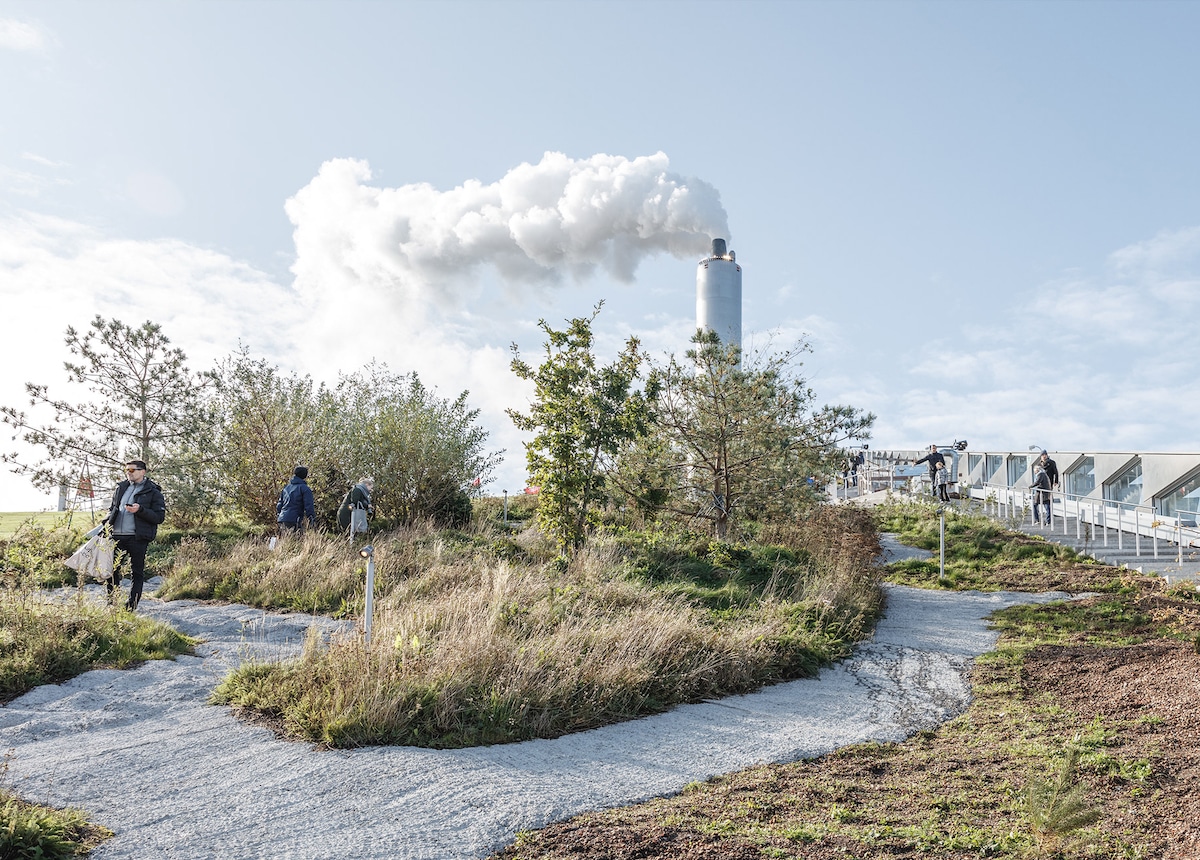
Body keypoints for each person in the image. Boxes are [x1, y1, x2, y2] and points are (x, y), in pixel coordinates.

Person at [102, 459, 166, 611]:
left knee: (136, 573)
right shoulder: (121, 488)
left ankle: (131, 607)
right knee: (111, 571)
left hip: (137, 538)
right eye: (127, 470)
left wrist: (140, 510)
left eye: (132, 470)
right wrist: (106, 521)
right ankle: (112, 604)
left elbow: (159, 517)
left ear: (142, 472)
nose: (128, 473)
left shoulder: (153, 492)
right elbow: (112, 509)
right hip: (116, 536)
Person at [276, 466, 316, 535]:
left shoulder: (286, 488)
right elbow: (308, 505)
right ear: (305, 476)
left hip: (282, 518)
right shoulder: (305, 489)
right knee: (296, 541)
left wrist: (279, 515)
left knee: (285, 541)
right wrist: (311, 518)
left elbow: (279, 504)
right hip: (295, 519)